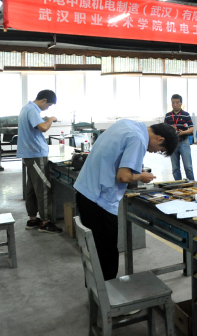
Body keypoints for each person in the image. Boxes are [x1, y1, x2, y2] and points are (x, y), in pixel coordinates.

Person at [74, 120, 178, 280]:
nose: (153, 152)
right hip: (99, 201)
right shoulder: (139, 139)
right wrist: (141, 176)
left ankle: (96, 291)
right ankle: (107, 293)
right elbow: (123, 176)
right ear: (160, 139)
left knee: (96, 251)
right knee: (106, 256)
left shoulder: (125, 124)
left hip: (85, 192)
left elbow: (115, 157)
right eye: (159, 150)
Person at [17, 90, 63, 234]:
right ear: (43, 100)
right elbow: (43, 128)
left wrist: (45, 118)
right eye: (48, 105)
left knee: (32, 187)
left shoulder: (26, 108)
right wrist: (51, 119)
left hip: (29, 154)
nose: (47, 108)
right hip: (36, 154)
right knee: (43, 188)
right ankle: (45, 222)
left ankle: (32, 219)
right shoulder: (32, 110)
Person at [164, 94, 195, 181]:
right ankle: (178, 184)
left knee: (188, 167)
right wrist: (170, 129)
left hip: (184, 142)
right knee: (175, 168)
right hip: (172, 143)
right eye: (173, 103)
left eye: (177, 102)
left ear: (181, 103)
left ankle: (191, 183)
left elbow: (191, 128)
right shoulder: (168, 115)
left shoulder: (186, 115)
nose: (175, 105)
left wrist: (183, 132)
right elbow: (164, 129)